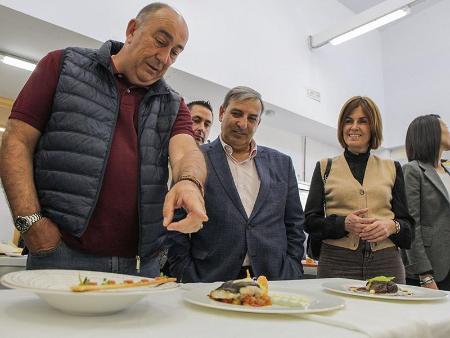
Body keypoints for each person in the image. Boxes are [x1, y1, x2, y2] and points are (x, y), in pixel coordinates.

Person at [0, 3, 207, 277]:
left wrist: (189, 182)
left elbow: (186, 152)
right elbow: (17, 141)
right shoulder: (63, 65)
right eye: (160, 42)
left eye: (175, 53)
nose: (165, 58)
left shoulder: (173, 104)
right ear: (132, 30)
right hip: (61, 253)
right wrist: (30, 223)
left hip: (140, 265)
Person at [167, 86, 305, 282]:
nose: (243, 123)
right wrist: (184, 270)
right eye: (237, 113)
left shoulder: (282, 163)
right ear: (223, 113)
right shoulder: (194, 159)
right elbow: (176, 219)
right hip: (210, 278)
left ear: (258, 122)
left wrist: (293, 266)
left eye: (252, 118)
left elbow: (294, 223)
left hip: (274, 278)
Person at [304, 96, 413, 283]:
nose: (354, 127)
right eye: (348, 121)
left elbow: (408, 226)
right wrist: (343, 223)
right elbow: (309, 222)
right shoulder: (324, 167)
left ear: (373, 127)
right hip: (336, 261)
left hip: (386, 262)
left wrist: (391, 226)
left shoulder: (392, 168)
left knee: (389, 311)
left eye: (363, 121)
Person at [402, 114, 450, 290]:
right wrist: (425, 275)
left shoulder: (447, 172)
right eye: (445, 126)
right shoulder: (413, 170)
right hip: (431, 270)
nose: (449, 130)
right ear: (431, 133)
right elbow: (411, 225)